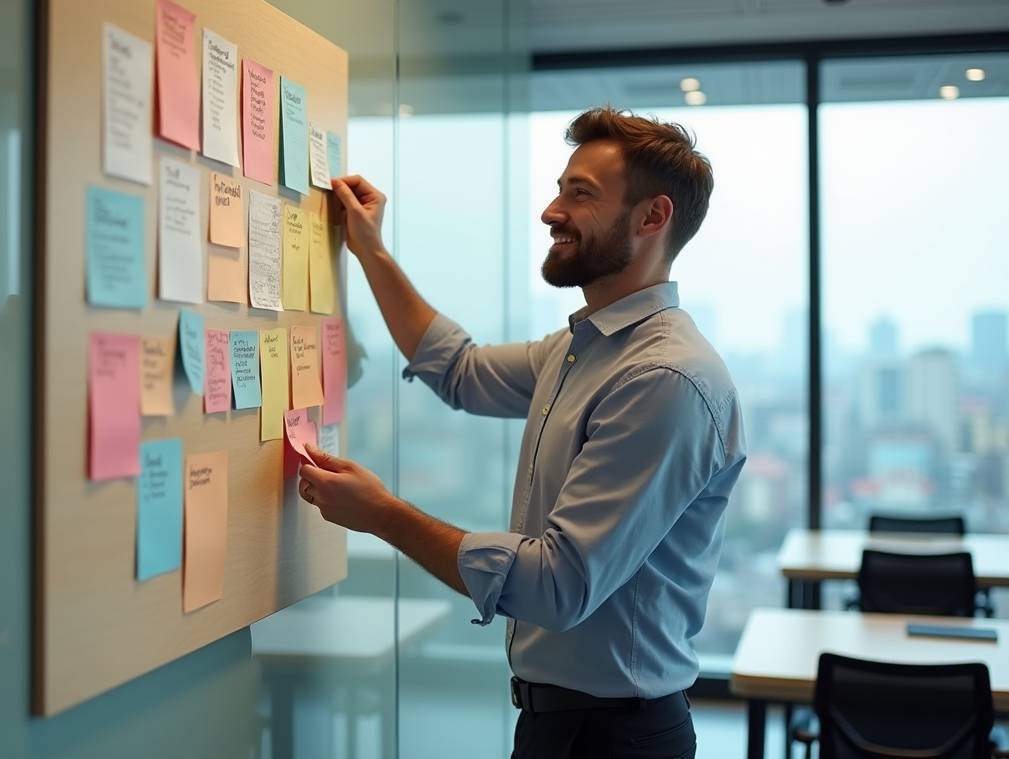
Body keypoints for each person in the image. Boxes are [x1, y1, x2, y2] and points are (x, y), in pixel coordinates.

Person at [299, 104, 747, 759]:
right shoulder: (582, 349)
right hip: (556, 724)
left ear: (652, 218)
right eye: (560, 188)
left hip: (616, 738)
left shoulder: (663, 379)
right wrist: (369, 249)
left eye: (580, 194)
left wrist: (384, 516)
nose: (550, 211)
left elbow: (555, 586)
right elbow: (458, 370)